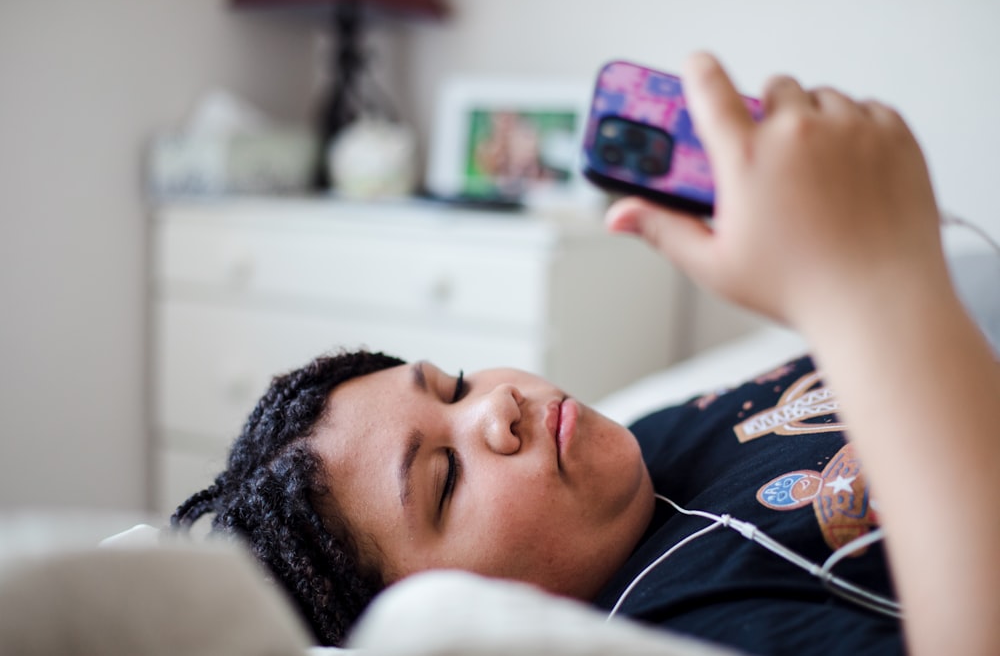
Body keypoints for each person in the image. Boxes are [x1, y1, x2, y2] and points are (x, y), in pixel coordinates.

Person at [171, 52, 1000, 655]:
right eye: (445, 477)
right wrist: (876, 290)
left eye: (455, 386)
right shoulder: (679, 624)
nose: (494, 407)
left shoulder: (645, 439)